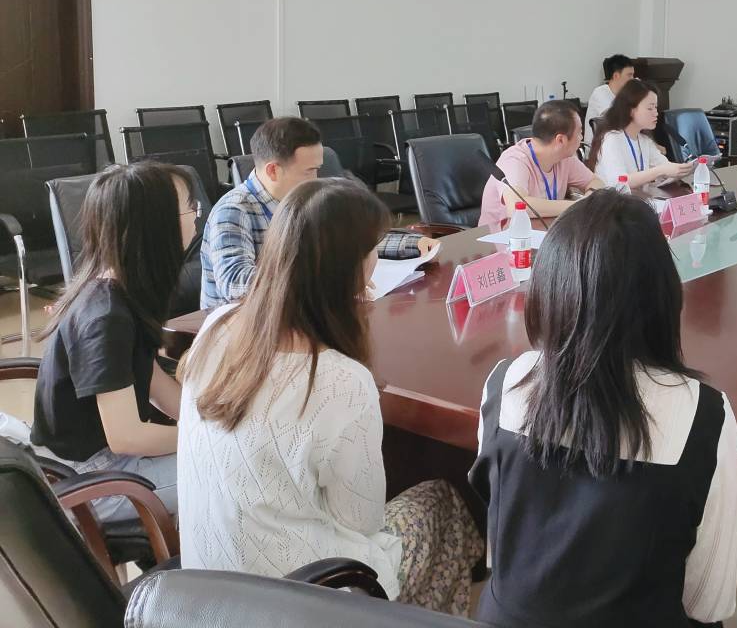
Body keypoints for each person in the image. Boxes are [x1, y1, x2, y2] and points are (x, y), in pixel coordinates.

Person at [178, 179, 482, 610]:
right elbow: (362, 521)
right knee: (446, 502)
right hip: (299, 601)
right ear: (351, 268)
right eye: (373, 250)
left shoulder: (217, 327)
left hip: (204, 589)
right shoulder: (339, 380)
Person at [470, 190, 737, 627]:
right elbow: (708, 602)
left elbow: (501, 554)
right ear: (663, 296)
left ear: (549, 289)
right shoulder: (704, 415)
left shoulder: (505, 382)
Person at [30, 162, 200, 522]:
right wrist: (206, 439)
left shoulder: (120, 289)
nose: (197, 215)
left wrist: (207, 420)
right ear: (157, 227)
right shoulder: (105, 317)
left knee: (234, 451)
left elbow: (153, 381)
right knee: (234, 468)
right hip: (92, 479)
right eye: (190, 206)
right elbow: (126, 436)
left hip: (106, 459)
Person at [201, 116, 437, 309]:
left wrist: (411, 244)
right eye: (309, 171)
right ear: (273, 170)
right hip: (239, 330)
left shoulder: (302, 199)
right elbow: (235, 284)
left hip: (294, 315)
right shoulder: (234, 210)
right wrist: (328, 285)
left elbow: (345, 238)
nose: (316, 179)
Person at [478, 100, 605, 227]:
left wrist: (588, 199)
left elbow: (595, 181)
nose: (581, 138)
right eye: (579, 133)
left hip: (544, 230)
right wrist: (578, 206)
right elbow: (516, 206)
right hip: (501, 235)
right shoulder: (514, 160)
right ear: (561, 140)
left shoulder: (565, 158)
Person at [587, 79, 695, 189]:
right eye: (650, 108)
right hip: (613, 199)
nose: (656, 113)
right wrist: (659, 171)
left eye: (656, 107)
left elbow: (665, 167)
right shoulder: (612, 139)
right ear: (630, 110)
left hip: (638, 197)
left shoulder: (644, 140)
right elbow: (619, 182)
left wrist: (686, 168)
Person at [584, 53, 635, 146]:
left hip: (620, 144)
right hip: (598, 149)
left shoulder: (624, 95)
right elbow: (615, 120)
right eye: (629, 75)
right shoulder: (600, 93)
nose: (633, 79)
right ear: (616, 76)